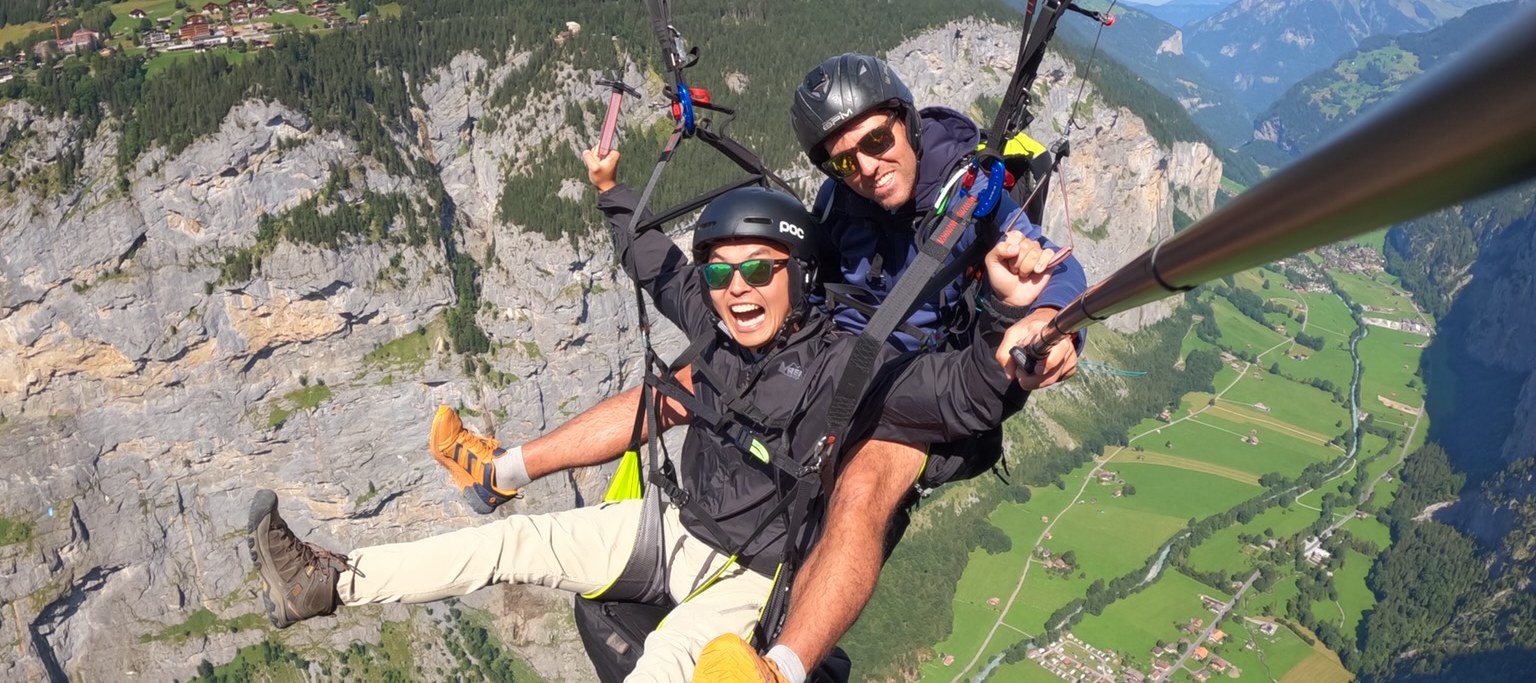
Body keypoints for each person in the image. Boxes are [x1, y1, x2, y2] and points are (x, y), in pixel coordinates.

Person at [248, 185, 1058, 683]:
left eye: (759, 270)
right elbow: (652, 259)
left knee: (668, 669)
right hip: (672, 526)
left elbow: (947, 395)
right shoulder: (712, 326)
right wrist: (613, 189)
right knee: (512, 543)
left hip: (750, 579)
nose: (734, 289)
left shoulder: (842, 369)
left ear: (800, 275)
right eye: (721, 272)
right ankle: (330, 582)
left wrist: (1006, 342)